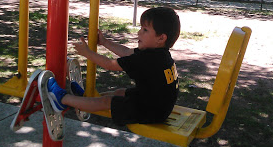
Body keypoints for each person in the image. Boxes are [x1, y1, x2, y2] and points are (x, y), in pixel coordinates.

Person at [46, 7, 181, 126]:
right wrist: (105, 42)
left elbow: (109, 65)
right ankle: (84, 101)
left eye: (145, 30)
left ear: (161, 38)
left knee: (107, 101)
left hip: (149, 112)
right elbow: (127, 52)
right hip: (156, 105)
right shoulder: (159, 54)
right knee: (120, 92)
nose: (139, 33)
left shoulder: (147, 60)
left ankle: (61, 99)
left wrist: (87, 53)